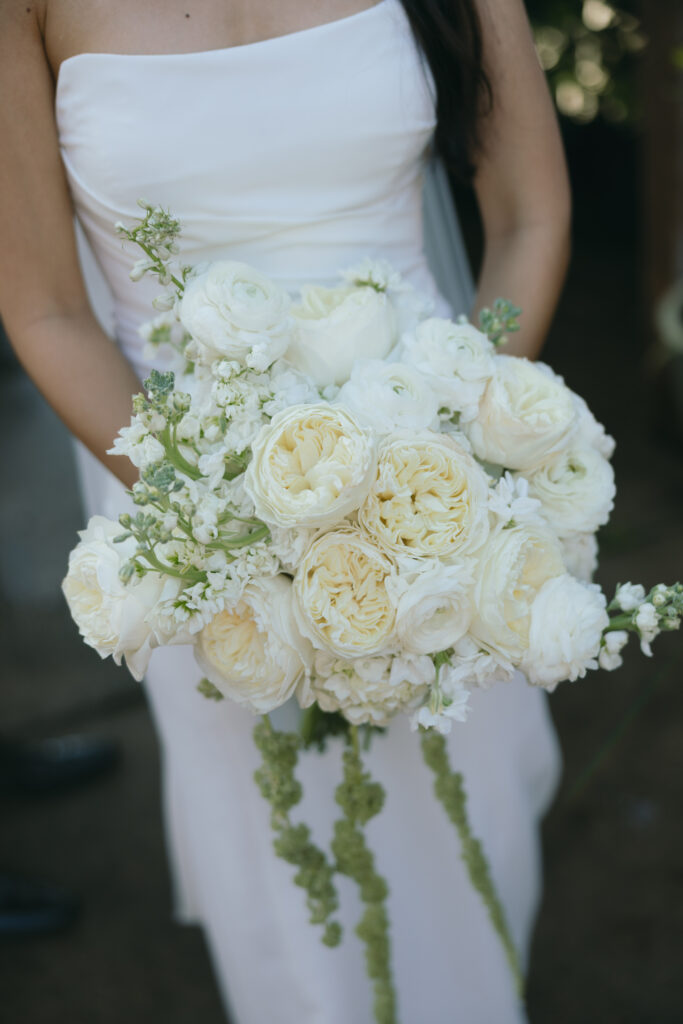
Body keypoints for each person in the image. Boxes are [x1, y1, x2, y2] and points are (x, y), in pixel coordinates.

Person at [0, 1, 571, 1020]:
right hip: (191, 519)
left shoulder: (451, 473)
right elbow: (45, 306)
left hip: (444, 503)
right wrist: (229, 536)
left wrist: (462, 430)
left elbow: (526, 213)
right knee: (289, 879)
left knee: (466, 836)